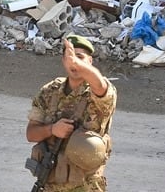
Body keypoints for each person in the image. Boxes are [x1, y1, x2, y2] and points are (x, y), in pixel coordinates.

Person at [26, 34, 117, 192]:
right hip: (51, 183)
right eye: (70, 58)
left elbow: (100, 86)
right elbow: (31, 134)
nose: (75, 63)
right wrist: (52, 130)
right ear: (63, 61)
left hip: (86, 186)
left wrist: (79, 65)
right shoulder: (49, 92)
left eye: (80, 57)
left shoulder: (97, 91)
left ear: (90, 61)